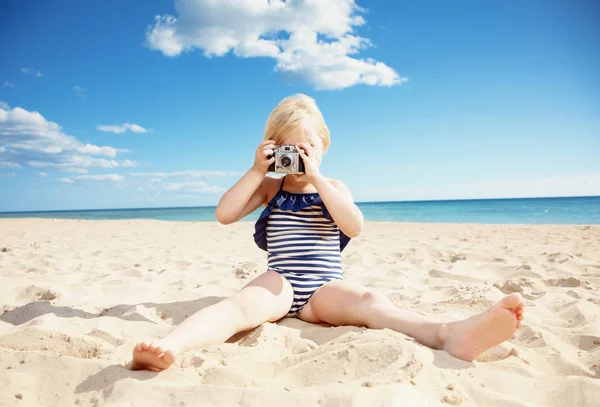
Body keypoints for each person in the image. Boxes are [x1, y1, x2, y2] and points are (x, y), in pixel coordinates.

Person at [131, 94, 525, 371]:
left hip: (324, 290)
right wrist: (256, 170)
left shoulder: (333, 187)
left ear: (325, 146)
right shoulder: (271, 187)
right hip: (281, 284)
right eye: (288, 150)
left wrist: (317, 177)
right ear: (272, 150)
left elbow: (354, 225)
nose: (298, 158)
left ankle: (446, 335)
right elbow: (224, 214)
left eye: (308, 148)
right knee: (237, 307)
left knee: (372, 302)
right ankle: (171, 345)